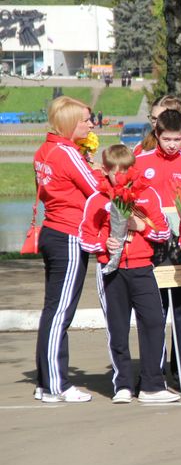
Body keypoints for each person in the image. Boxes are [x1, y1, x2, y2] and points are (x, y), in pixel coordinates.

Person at [79, 145, 179, 404]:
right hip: (111, 271)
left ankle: (151, 385)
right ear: (106, 171)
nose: (121, 176)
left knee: (154, 322)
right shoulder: (97, 199)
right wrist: (105, 244)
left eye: (126, 170)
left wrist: (142, 225)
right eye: (115, 171)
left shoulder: (147, 194)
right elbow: (85, 239)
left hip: (142, 267)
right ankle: (122, 384)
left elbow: (163, 233)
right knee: (117, 327)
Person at [33, 96, 98, 403]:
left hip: (52, 231)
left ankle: (45, 379)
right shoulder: (67, 153)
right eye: (86, 120)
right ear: (72, 123)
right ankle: (56, 385)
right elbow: (95, 190)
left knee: (53, 310)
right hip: (69, 234)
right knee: (60, 313)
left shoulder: (45, 150)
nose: (91, 124)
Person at [134, 109, 181, 387]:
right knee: (154, 312)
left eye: (177, 139)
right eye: (167, 139)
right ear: (156, 135)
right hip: (151, 246)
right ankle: (153, 372)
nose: (172, 145)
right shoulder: (140, 161)